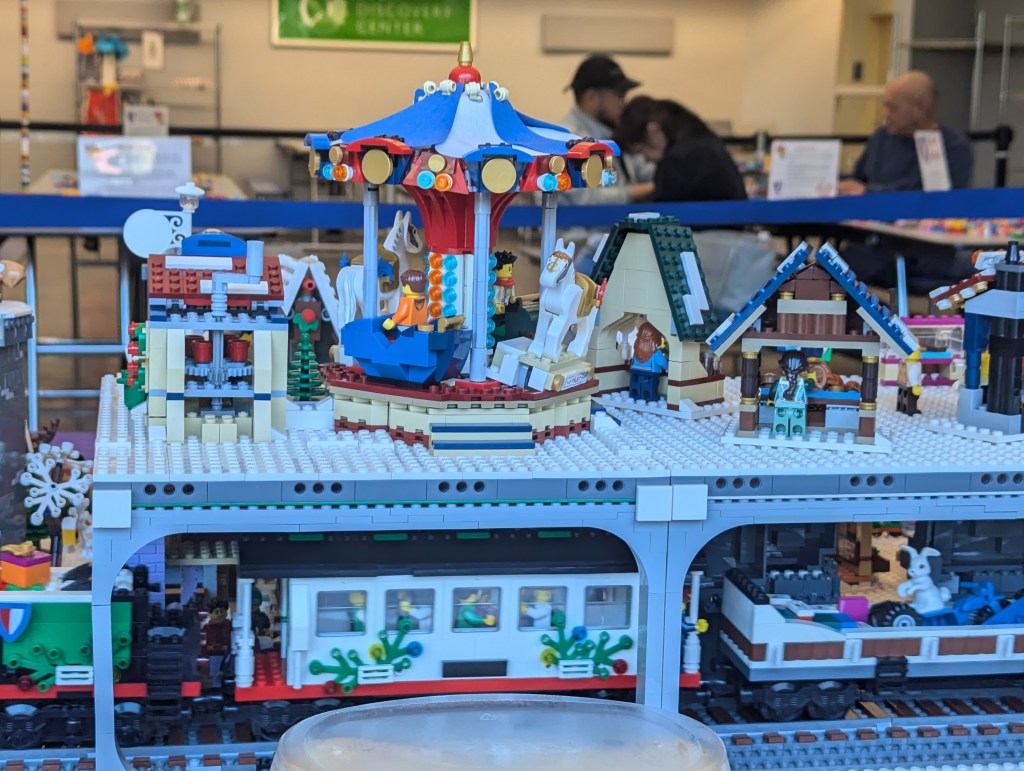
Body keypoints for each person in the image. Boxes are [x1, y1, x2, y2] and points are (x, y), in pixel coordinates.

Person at [838, 71, 972, 195]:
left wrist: (868, 192)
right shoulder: (881, 136)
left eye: (893, 108)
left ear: (920, 108)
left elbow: (932, 196)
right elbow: (858, 179)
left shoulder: (953, 147)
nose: (886, 115)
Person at [560, 54, 654, 205]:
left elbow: (642, 169)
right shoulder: (568, 140)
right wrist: (649, 189)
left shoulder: (612, 132)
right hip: (585, 221)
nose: (624, 103)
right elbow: (587, 199)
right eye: (619, 95)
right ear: (591, 97)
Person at [614, 97, 747, 202]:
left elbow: (663, 210)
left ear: (653, 132)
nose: (646, 159)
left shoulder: (676, 161)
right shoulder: (705, 143)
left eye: (641, 150)